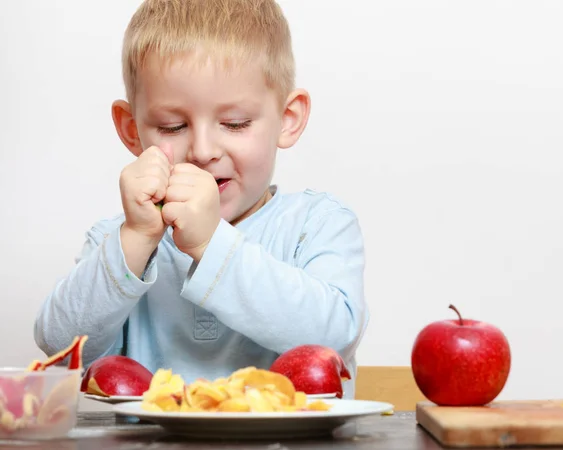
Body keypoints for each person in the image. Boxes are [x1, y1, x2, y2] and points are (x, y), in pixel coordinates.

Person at [33, 0, 369, 398]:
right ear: (131, 130)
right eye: (172, 126)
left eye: (235, 123)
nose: (204, 150)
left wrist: (212, 245)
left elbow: (334, 337)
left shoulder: (317, 224)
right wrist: (137, 238)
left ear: (288, 118)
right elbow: (59, 344)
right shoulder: (121, 241)